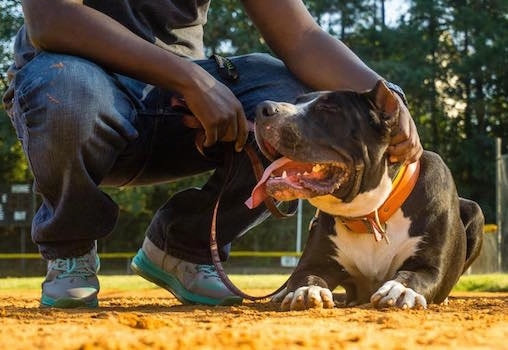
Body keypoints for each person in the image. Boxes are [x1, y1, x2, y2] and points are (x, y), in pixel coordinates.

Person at [3, 0, 423, 308]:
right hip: (79, 89)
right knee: (67, 87)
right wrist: (187, 77)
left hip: (178, 108)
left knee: (291, 105)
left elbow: (301, 36)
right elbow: (51, 17)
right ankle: (70, 252)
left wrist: (388, 98)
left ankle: (183, 246)